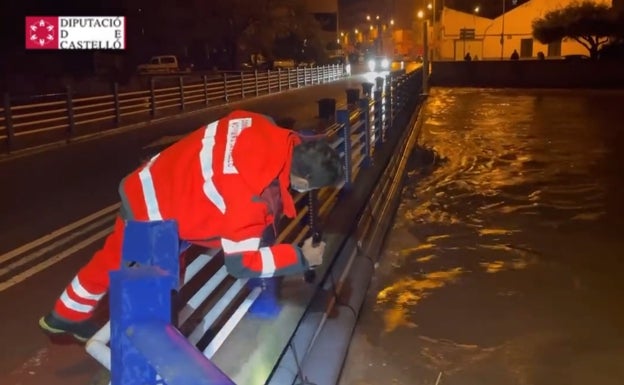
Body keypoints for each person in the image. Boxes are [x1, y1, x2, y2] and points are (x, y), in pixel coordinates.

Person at [39, 110, 345, 342]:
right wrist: (301, 256)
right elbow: (242, 264)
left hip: (165, 181)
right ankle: (80, 323)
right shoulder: (250, 198)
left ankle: (68, 313)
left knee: (123, 259)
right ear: (302, 181)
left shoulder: (258, 123)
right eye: (306, 188)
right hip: (154, 210)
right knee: (143, 280)